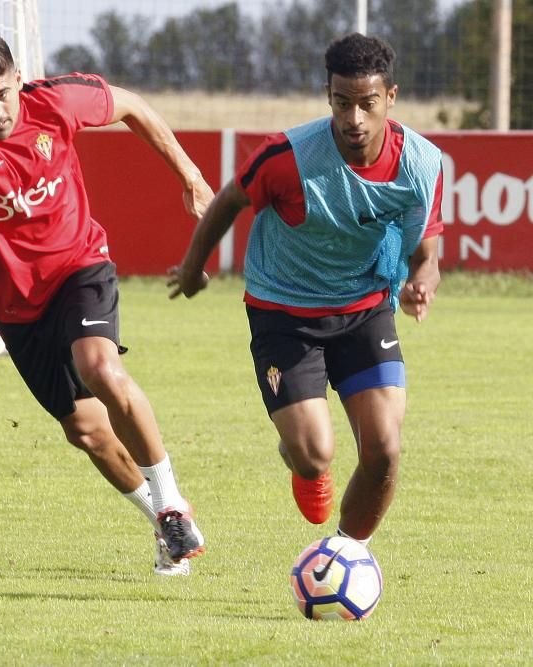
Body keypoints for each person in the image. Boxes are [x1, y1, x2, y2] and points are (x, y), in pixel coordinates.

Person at [0, 32, 212, 575]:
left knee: (100, 366)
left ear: (18, 79)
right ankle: (163, 522)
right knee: (86, 432)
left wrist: (190, 175)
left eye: (0, 94)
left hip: (79, 266)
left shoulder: (57, 100)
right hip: (15, 304)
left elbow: (132, 104)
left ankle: (172, 498)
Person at [168, 33, 443, 546]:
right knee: (315, 452)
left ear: (391, 97)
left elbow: (426, 254)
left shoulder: (421, 165)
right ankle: (301, 459)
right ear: (329, 96)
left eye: (368, 103)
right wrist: (191, 269)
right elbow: (228, 202)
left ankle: (343, 555)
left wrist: (421, 283)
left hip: (365, 310)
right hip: (284, 313)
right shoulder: (288, 157)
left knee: (384, 450)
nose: (354, 118)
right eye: (343, 102)